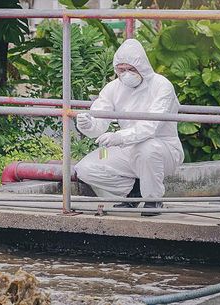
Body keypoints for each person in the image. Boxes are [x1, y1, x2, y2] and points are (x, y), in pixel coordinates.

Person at [74, 39, 184, 216]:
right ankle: (134, 192)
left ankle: (153, 200)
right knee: (85, 169)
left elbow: (151, 127)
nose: (126, 74)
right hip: (128, 148)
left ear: (142, 67)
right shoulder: (113, 88)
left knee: (147, 148)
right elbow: (100, 121)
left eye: (131, 69)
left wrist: (118, 137)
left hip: (163, 148)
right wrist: (87, 125)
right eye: (121, 69)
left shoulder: (161, 86)